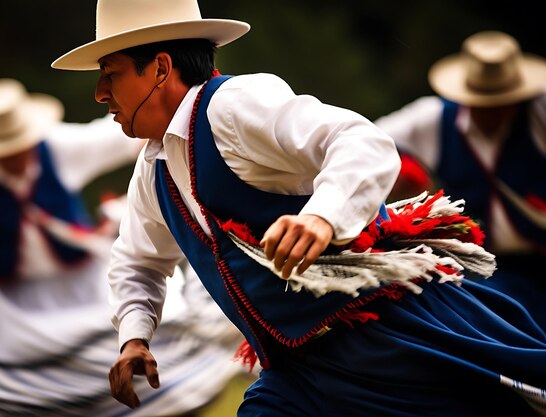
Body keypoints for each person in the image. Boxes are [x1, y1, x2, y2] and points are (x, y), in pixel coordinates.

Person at [52, 2, 546, 416]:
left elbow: (361, 140)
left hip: (389, 338)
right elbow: (138, 262)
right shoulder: (153, 168)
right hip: (296, 374)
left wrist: (321, 215)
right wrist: (135, 338)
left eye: (110, 75)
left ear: (160, 68)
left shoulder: (233, 105)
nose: (100, 93)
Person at [0, 78, 251, 416]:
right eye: (3, 151)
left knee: (152, 333)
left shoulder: (58, 146)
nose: (15, 155)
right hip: (16, 301)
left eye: (19, 145)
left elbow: (112, 136)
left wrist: (161, 119)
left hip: (84, 285)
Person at [375, 30, 546, 329]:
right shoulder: (433, 119)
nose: (490, 110)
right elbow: (364, 141)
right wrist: (404, 171)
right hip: (483, 268)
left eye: (500, 101)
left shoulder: (539, 113)